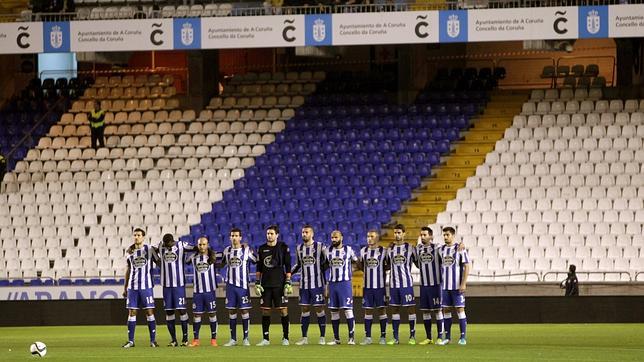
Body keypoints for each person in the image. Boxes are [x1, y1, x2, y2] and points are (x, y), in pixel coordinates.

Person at [255, 225, 292, 346]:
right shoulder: (261, 248)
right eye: (268, 234)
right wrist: (257, 282)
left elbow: (288, 266)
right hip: (265, 284)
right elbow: (259, 267)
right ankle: (266, 339)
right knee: (265, 311)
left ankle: (285, 338)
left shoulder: (283, 247)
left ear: (277, 235)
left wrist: (288, 281)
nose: (269, 236)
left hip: (279, 284)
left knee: (283, 311)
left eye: (271, 233)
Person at [154, 233, 194, 347]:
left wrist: (190, 259)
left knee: (182, 311)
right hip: (166, 286)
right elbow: (150, 250)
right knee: (169, 312)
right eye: (165, 245)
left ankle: (185, 339)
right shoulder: (161, 245)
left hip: (179, 285)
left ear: (172, 241)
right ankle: (173, 340)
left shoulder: (181, 245)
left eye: (168, 244)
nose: (167, 246)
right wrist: (157, 261)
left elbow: (196, 247)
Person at [291, 224, 328, 345]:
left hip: (317, 284)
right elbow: (297, 265)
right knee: (305, 309)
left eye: (306, 232)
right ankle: (304, 338)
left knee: (319, 309)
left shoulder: (320, 246)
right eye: (303, 232)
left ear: (312, 234)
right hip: (304, 285)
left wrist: (322, 270)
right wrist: (288, 274)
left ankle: (322, 337)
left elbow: (328, 261)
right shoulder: (299, 248)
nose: (304, 234)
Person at [122, 228, 158, 348]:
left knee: (149, 312)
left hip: (146, 287)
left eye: (139, 235)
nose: (136, 237)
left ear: (143, 237)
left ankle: (153, 341)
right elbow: (128, 270)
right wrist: (125, 287)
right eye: (135, 235)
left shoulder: (150, 249)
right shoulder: (129, 252)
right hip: (133, 288)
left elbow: (159, 261)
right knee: (132, 312)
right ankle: (131, 341)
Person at [221, 228, 256, 347]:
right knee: (232, 311)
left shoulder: (246, 250)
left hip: (243, 286)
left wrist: (251, 249)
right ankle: (233, 339)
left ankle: (246, 338)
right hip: (230, 286)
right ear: (230, 237)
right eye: (232, 235)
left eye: (236, 235)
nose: (234, 237)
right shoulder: (227, 250)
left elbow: (256, 260)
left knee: (244, 310)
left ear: (240, 237)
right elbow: (221, 263)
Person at [437, 226, 470, 346]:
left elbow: (467, 266)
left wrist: (463, 283)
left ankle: (463, 337)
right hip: (445, 287)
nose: (445, 237)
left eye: (448, 235)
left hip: (457, 286)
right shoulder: (441, 250)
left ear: (453, 236)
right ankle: (448, 338)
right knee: (446, 310)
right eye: (444, 235)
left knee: (460, 309)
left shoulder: (460, 249)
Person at [326, 230, 358, 345]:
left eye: (336, 237)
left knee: (348, 310)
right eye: (332, 237)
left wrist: (352, 270)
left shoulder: (348, 250)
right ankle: (336, 339)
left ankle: (351, 338)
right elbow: (324, 265)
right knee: (334, 311)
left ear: (341, 238)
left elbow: (357, 262)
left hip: (345, 284)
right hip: (332, 284)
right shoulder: (328, 250)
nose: (333, 239)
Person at [387, 224, 418, 345]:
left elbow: (418, 263)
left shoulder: (410, 248)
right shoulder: (390, 249)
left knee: (411, 309)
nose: (397, 235)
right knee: (395, 309)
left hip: (406, 284)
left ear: (404, 233)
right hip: (393, 285)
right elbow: (386, 264)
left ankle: (412, 336)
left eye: (399, 232)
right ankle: (395, 338)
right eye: (395, 232)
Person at [357, 230, 389, 345]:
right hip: (367, 287)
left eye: (372, 236)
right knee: (368, 310)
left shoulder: (384, 251)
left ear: (377, 238)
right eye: (367, 236)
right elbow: (360, 265)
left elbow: (388, 265)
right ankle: (368, 337)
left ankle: (383, 336)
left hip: (380, 287)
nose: (369, 238)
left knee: (382, 310)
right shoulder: (363, 251)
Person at [187, 236, 219, 347]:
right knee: (196, 315)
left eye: (204, 244)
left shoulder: (213, 256)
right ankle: (196, 340)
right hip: (197, 292)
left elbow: (226, 255)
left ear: (207, 245)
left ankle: (213, 339)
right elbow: (183, 260)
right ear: (197, 245)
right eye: (200, 244)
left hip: (210, 291)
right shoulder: (193, 258)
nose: (202, 246)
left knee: (212, 314)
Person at [416, 226, 445, 345]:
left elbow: (449, 250)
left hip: (436, 285)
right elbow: (417, 264)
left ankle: (440, 337)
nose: (422, 237)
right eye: (421, 235)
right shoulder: (418, 249)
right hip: (424, 285)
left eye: (425, 235)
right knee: (425, 311)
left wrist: (460, 245)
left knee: (438, 310)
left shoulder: (437, 248)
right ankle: (429, 338)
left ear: (431, 236)